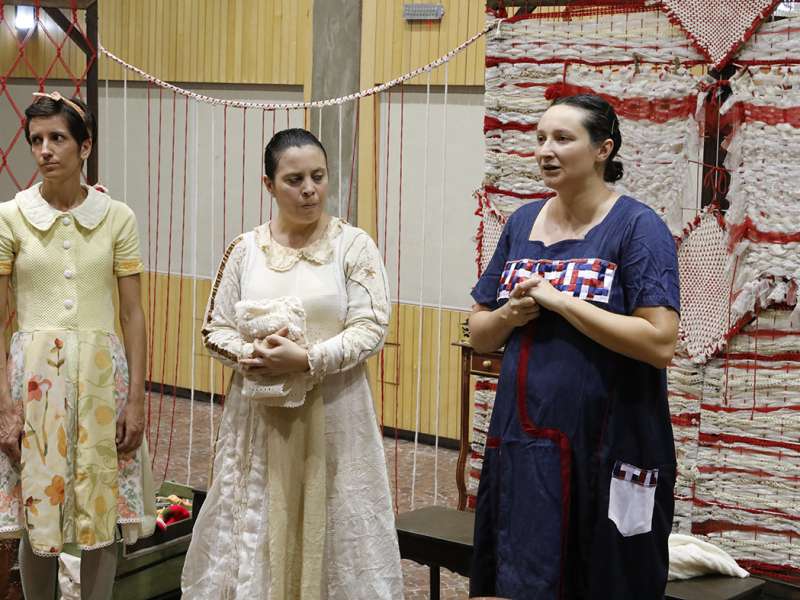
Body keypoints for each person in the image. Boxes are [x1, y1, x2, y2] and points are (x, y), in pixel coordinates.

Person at [469, 94, 680, 599]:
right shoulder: (521, 223)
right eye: (541, 138)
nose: (546, 150)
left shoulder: (638, 227)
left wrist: (562, 302)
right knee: (522, 572)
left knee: (609, 574)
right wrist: (510, 314)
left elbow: (659, 342)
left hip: (611, 441)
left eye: (563, 138)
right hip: (526, 441)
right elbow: (479, 333)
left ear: (603, 149)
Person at [182, 128, 403, 599]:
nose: (309, 190)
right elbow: (214, 329)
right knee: (257, 522)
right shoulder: (246, 249)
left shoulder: (353, 245)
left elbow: (371, 327)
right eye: (294, 179)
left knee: (337, 521)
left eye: (318, 177)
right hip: (260, 417)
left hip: (335, 413)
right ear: (269, 184)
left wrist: (306, 359)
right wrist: (254, 356)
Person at [0, 92, 156, 599]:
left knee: (100, 505)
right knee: (37, 510)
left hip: (101, 379)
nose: (45, 150)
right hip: (34, 381)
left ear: (84, 146)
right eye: (36, 140)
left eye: (58, 138)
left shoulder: (117, 217)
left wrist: (137, 399)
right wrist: (4, 404)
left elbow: (132, 314)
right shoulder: (11, 217)